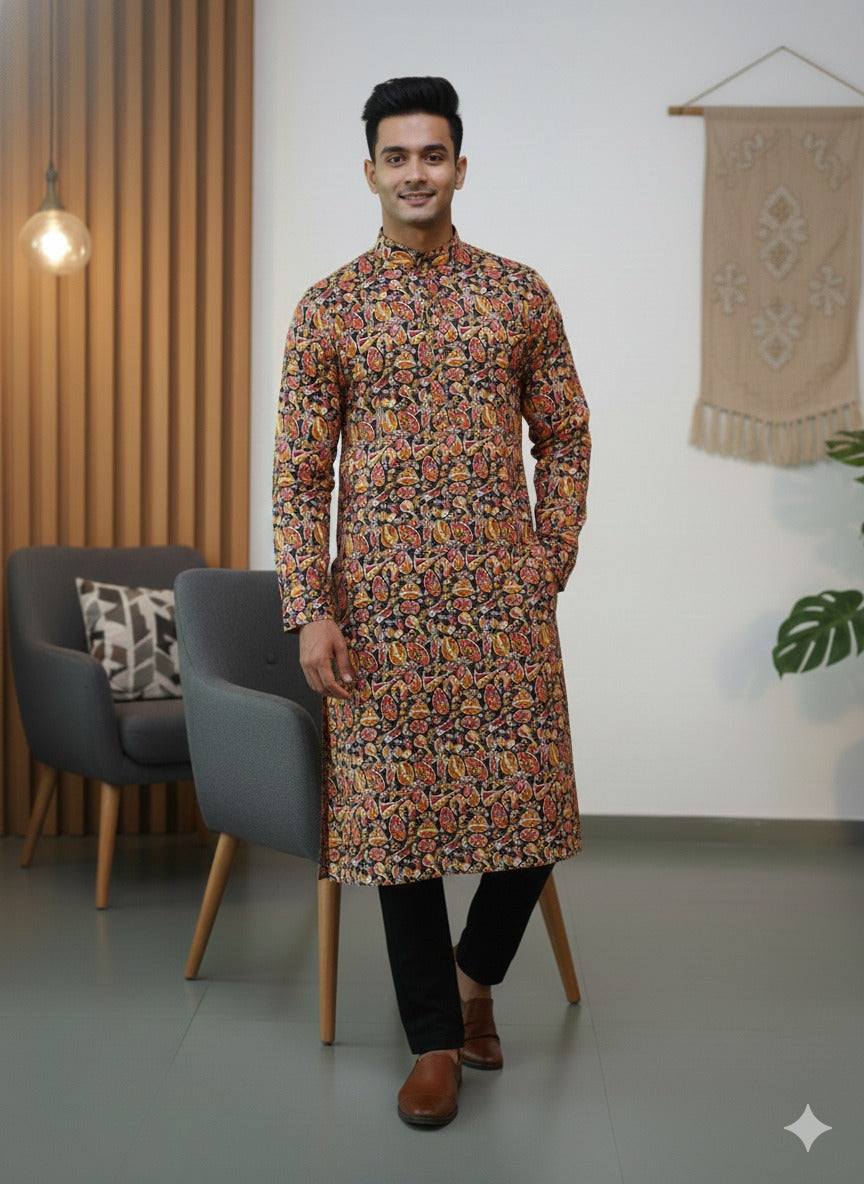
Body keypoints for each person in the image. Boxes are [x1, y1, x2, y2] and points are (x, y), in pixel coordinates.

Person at [273, 76, 590, 1127]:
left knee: (536, 809)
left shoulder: (518, 295)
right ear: (370, 171)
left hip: (503, 606)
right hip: (378, 614)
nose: (417, 172)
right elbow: (299, 475)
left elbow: (567, 434)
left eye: (434, 154)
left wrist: (548, 555)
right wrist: (311, 605)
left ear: (460, 166)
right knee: (397, 826)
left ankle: (472, 975)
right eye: (398, 156)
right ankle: (435, 1041)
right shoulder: (329, 307)